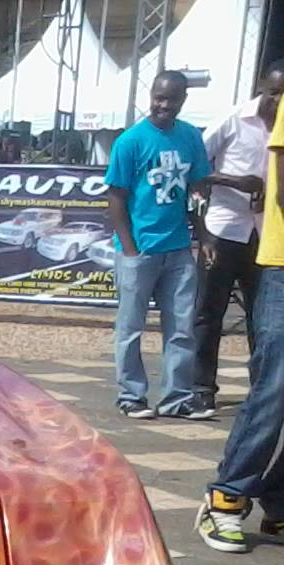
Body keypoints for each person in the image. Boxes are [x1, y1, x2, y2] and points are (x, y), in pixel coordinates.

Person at [197, 76, 284, 552]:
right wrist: (205, 228)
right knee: (274, 383)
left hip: (256, 241)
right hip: (267, 254)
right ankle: (226, 497)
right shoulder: (238, 120)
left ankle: (279, 503)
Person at [104, 70, 211, 419]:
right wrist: (130, 249)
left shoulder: (190, 136)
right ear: (150, 96)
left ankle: (177, 397)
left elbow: (197, 189)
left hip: (178, 248)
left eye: (171, 99)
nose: (163, 105)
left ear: (183, 100)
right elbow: (116, 197)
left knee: (181, 327)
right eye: (158, 97)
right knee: (130, 327)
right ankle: (131, 395)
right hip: (140, 248)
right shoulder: (130, 141)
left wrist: (203, 235)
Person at [192, 63, 284, 416]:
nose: (278, 101)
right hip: (223, 230)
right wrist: (235, 182)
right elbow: (194, 168)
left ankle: (262, 389)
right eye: (274, 92)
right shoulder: (232, 120)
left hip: (265, 236)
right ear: (261, 86)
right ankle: (202, 388)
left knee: (263, 319)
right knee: (208, 313)